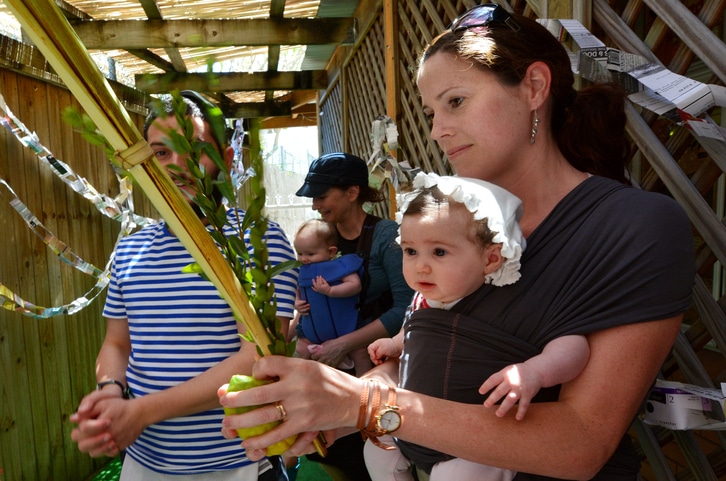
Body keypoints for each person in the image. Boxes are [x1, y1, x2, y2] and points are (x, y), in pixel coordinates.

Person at [218, 5, 695, 480]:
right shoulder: (449, 219)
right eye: (430, 111)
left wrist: (366, 406)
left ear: (533, 87)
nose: (436, 130)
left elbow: (582, 441)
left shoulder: (636, 226)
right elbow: (420, 354)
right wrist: (328, 408)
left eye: (455, 102)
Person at [69, 90, 297, 481]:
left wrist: (141, 411)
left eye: (193, 149)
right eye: (160, 153)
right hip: (145, 461)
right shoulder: (131, 247)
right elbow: (117, 343)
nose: (178, 165)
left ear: (227, 160)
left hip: (239, 460)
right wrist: (110, 388)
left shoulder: (259, 240)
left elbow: (257, 358)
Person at [364, 173, 589, 481]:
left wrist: (536, 371)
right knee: (375, 447)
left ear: (491, 258)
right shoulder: (423, 298)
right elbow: (414, 330)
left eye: (439, 252)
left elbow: (573, 345)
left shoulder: (510, 300)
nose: (421, 266)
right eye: (410, 251)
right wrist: (396, 342)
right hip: (419, 424)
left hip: (477, 443)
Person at [291, 152, 414, 481]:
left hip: (377, 366)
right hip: (328, 364)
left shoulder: (387, 237)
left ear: (352, 192)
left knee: (371, 452)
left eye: (321, 195)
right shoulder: (320, 238)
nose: (316, 205)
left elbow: (405, 309)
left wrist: (344, 344)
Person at [292, 218, 372, 376]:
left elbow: (355, 285)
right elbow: (297, 288)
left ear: (331, 252)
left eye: (310, 253)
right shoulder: (301, 270)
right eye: (300, 253)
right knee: (300, 349)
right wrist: (297, 302)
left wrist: (330, 291)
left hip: (347, 326)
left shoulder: (341, 266)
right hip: (312, 330)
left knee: (361, 352)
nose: (304, 258)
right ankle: (304, 383)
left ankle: (365, 383)